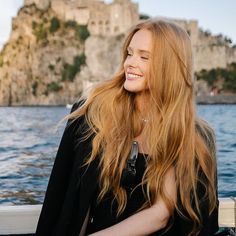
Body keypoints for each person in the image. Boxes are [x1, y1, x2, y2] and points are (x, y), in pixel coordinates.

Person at [36, 19, 219, 236]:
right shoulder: (94, 115)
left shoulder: (194, 135)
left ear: (169, 66)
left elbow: (161, 213)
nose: (129, 63)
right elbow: (74, 200)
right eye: (130, 53)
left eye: (144, 56)